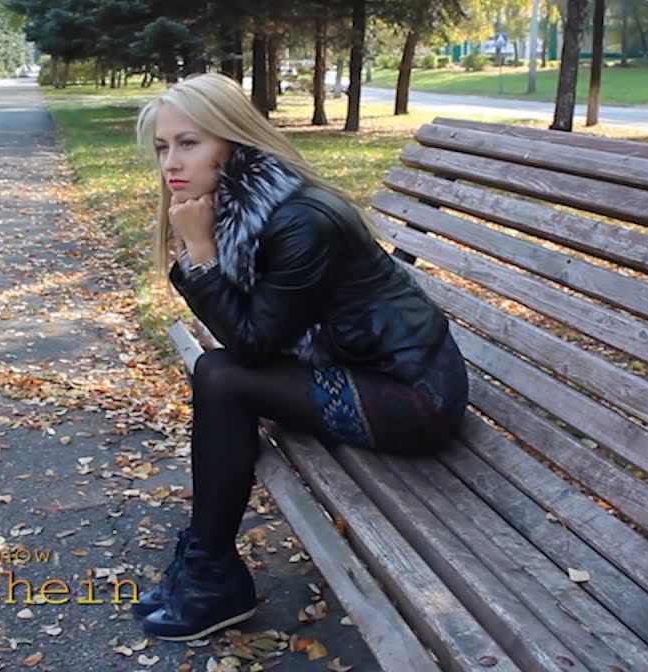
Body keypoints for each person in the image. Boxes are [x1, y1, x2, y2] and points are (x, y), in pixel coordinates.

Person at [131, 73, 468, 641]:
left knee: (222, 377)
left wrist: (200, 251)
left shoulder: (301, 219)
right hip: (355, 367)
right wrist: (201, 248)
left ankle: (212, 574)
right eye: (163, 147)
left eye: (189, 143)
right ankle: (208, 566)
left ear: (233, 140)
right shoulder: (245, 205)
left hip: (413, 396)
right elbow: (252, 335)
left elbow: (252, 345)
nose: (171, 163)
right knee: (219, 376)